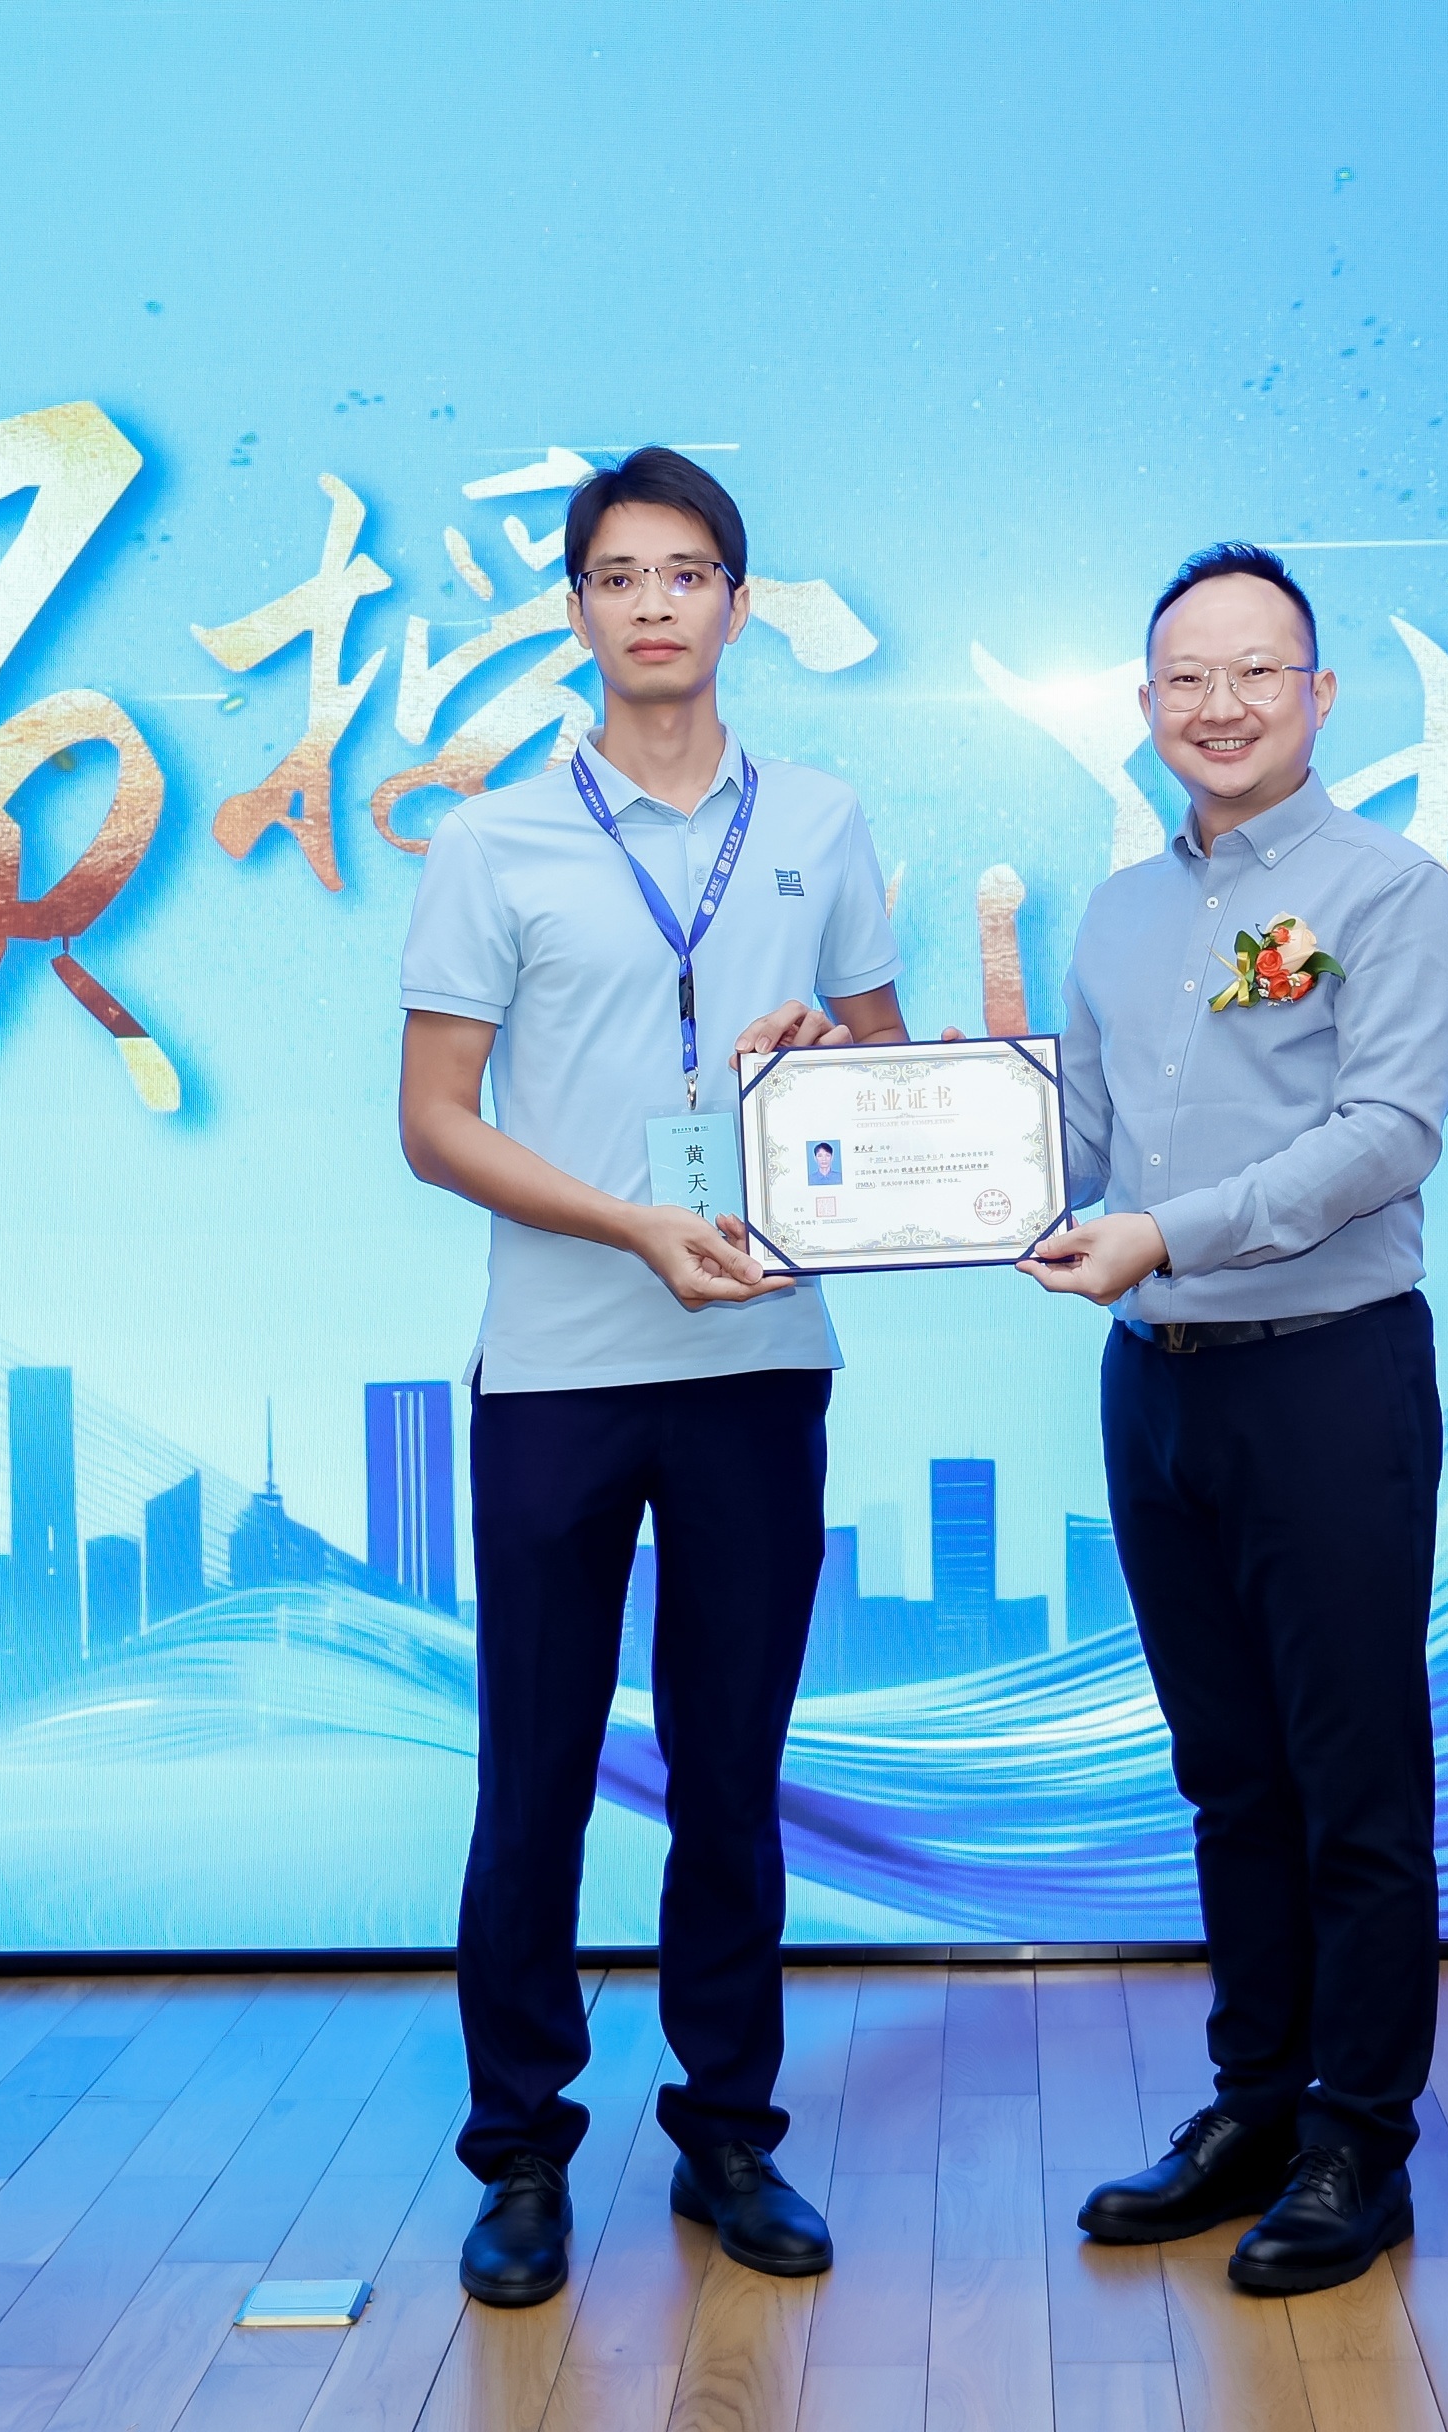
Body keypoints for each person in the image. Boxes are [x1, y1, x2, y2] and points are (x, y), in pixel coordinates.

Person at [397, 447, 913, 2309]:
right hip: (557, 1368)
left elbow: (891, 1077)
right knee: (533, 1772)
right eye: (618, 576)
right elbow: (433, 1121)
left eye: (686, 572)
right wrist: (628, 1224)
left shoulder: (824, 821)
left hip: (761, 1355)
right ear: (577, 611)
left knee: (731, 1770)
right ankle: (522, 2156)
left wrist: (828, 1049)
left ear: (737, 604)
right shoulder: (495, 841)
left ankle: (731, 2139)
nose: (654, 604)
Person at [1021, 542, 1448, 2294]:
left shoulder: (1390, 891)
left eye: (1256, 673)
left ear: (1319, 694)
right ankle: (1257, 2104)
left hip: (1329, 1375)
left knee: (1355, 1780)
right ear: (1145, 703)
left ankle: (1362, 2140)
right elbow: (1067, 1151)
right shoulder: (1119, 913)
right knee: (1228, 1776)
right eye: (1186, 679)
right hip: (1157, 1388)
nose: (1220, 706)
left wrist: (1166, 1234)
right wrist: (875, 1133)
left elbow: (1387, 1136)